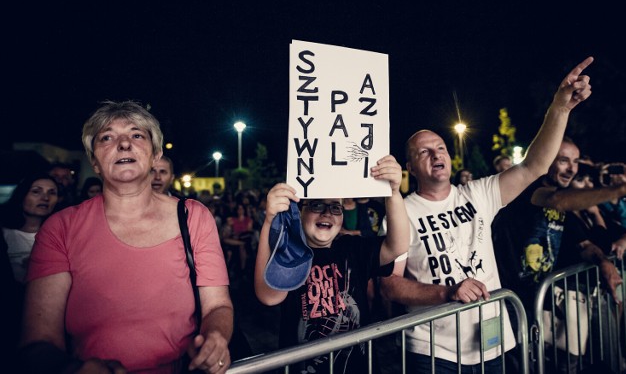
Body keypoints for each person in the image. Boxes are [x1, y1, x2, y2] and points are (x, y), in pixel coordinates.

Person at [379, 57, 595, 373]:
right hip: (432, 350)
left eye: (440, 147)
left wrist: (560, 109)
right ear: (409, 167)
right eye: (423, 151)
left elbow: (534, 165)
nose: (436, 154)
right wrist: (448, 293)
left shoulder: (478, 194)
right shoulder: (403, 212)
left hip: (490, 341)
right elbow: (390, 285)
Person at [19, 100, 233, 373]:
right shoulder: (60, 228)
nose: (123, 144)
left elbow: (217, 305)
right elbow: (39, 341)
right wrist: (74, 369)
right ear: (95, 162)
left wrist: (215, 338)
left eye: (136, 135)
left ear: (156, 155)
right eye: (107, 137)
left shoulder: (194, 217)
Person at [254, 155, 409, 374]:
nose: (328, 213)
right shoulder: (290, 251)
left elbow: (398, 245)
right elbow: (268, 296)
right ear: (300, 211)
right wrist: (270, 220)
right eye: (317, 205)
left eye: (336, 208)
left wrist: (393, 193)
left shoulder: (352, 247)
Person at [492, 137, 626, 373]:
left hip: (541, 299)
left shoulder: (564, 200)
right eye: (564, 160)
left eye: (576, 161)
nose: (572, 168)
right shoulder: (529, 190)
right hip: (513, 301)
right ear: (547, 158)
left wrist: (603, 263)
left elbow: (583, 243)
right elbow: (557, 201)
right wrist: (622, 189)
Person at [0, 173, 59, 366]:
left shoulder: (60, 237)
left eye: (52, 193)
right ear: (22, 196)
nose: (45, 197)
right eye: (36, 192)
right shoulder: (5, 234)